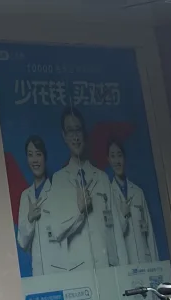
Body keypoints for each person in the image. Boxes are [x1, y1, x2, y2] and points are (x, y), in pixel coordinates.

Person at [46, 108, 118, 274]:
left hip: (108, 267)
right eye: (70, 131)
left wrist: (121, 267)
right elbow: (57, 231)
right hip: (79, 271)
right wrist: (79, 211)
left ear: (84, 133)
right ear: (64, 136)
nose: (75, 136)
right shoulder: (59, 180)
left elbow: (116, 229)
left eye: (78, 129)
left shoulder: (101, 177)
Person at [106, 139, 156, 264]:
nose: (117, 161)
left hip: (144, 260)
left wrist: (155, 263)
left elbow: (149, 232)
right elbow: (111, 237)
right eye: (113, 156)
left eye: (119, 155)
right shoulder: (108, 195)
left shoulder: (138, 192)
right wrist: (122, 216)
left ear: (124, 158)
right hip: (124, 262)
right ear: (108, 160)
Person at [14, 136, 58, 274]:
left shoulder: (56, 190)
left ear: (45, 157)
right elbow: (22, 243)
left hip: (59, 267)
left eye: (38, 154)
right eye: (30, 155)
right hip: (38, 270)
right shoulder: (25, 196)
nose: (34, 160)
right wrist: (30, 219)